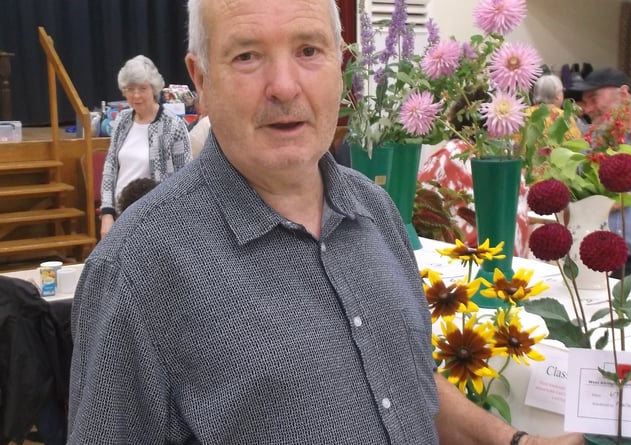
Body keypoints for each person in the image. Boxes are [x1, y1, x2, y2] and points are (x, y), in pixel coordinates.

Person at [67, 1, 584, 444]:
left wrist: (510, 439)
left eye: (309, 50)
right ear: (200, 78)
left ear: (342, 63)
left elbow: (403, 383)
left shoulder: (375, 210)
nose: (284, 85)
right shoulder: (137, 270)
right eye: (247, 56)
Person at [569, 68, 631, 289]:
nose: (588, 109)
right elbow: (576, 199)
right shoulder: (589, 147)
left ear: (624, 94)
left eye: (594, 99)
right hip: (599, 263)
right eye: (584, 103)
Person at [98, 55, 192, 237]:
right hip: (120, 215)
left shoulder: (173, 125)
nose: (136, 95)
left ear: (154, 89)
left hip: (156, 219)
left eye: (143, 88)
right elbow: (110, 169)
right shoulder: (122, 121)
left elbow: (185, 177)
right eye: (130, 89)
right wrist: (107, 213)